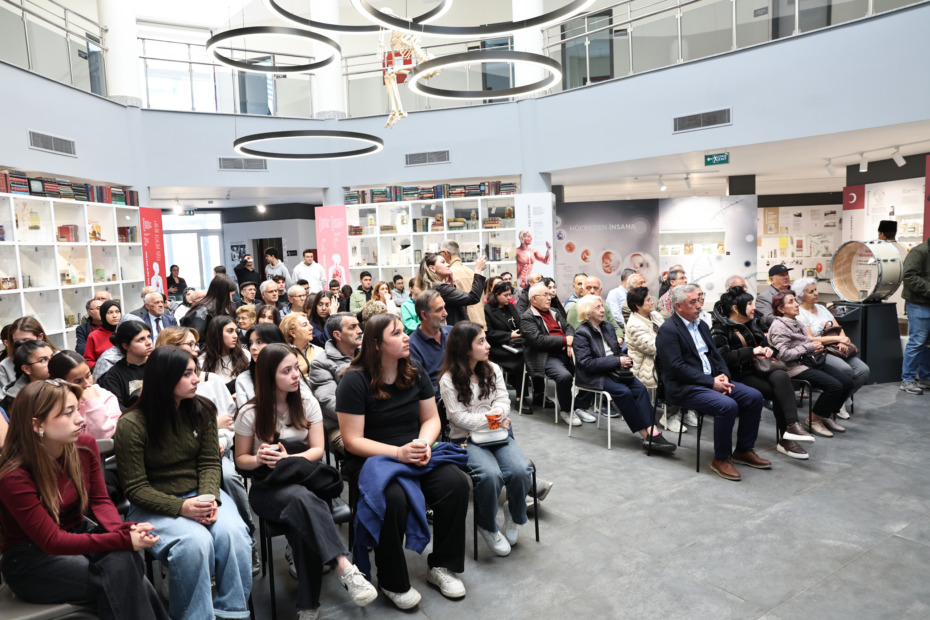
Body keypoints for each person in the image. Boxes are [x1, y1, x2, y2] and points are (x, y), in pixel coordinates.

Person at [0, 380, 168, 620]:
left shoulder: (84, 446)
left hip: (77, 533)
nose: (80, 419)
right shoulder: (14, 476)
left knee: (124, 564)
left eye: (77, 409)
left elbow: (100, 500)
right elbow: (52, 541)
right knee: (124, 576)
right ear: (36, 424)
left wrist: (120, 529)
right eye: (68, 413)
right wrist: (121, 539)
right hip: (30, 558)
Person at [336, 314, 470, 609]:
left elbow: (431, 419)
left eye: (403, 331)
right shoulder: (354, 381)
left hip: (414, 452)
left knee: (455, 484)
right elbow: (352, 440)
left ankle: (442, 566)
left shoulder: (414, 371)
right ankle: (392, 580)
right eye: (396, 333)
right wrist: (398, 453)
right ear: (376, 344)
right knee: (392, 499)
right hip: (374, 458)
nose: (406, 336)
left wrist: (423, 444)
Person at [234, 343, 377, 618]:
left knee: (301, 516)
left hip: (304, 480)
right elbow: (241, 460)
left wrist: (289, 460)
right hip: (267, 487)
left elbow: (318, 450)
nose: (295, 375)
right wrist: (259, 458)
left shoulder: (306, 402)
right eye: (286, 371)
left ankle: (309, 605)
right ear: (268, 376)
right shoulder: (249, 413)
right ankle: (344, 565)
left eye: (296, 368)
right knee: (304, 501)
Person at [114, 346, 253, 620]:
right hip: (153, 504)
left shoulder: (202, 409)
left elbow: (210, 462)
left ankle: (233, 613)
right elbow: (136, 488)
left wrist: (208, 499)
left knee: (235, 535)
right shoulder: (132, 424)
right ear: (164, 378)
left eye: (195, 372)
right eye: (187, 374)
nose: (196, 379)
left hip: (199, 495)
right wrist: (182, 508)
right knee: (195, 544)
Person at [438, 321, 534, 556]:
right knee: (490, 475)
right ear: (465, 348)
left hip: (498, 434)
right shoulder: (448, 379)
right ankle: (487, 525)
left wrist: (497, 415)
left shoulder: (493, 369)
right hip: (466, 439)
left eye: (486, 340)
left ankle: (514, 513)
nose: (488, 345)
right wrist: (493, 419)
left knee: (521, 470)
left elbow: (503, 401)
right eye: (481, 341)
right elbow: (458, 418)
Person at [655, 283, 767, 481]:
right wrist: (710, 382)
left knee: (754, 397)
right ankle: (721, 458)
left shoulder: (702, 326)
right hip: (685, 386)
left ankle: (743, 450)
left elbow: (717, 355)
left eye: (698, 300)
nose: (699, 305)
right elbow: (676, 368)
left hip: (711, 380)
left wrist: (723, 375)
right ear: (678, 306)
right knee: (727, 405)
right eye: (692, 302)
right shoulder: (668, 330)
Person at [710, 286, 816, 460]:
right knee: (779, 390)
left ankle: (791, 426)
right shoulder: (720, 329)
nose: (754, 307)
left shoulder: (752, 324)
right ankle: (787, 437)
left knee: (781, 376)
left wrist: (768, 350)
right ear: (736, 308)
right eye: (750, 304)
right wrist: (752, 351)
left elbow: (770, 347)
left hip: (759, 369)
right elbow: (723, 358)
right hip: (738, 374)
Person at [572, 295, 677, 453]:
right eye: (598, 307)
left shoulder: (607, 326)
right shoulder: (581, 333)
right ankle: (646, 436)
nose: (603, 310)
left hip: (615, 371)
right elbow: (586, 363)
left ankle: (654, 433)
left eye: (602, 306)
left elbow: (617, 351)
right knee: (623, 392)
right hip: (595, 375)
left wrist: (625, 359)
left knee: (640, 389)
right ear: (588, 313)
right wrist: (617, 361)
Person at [767, 291, 854, 438]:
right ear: (781, 309)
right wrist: (809, 347)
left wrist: (815, 347)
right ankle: (812, 420)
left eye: (795, 300)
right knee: (834, 386)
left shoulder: (797, 322)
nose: (796, 304)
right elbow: (783, 355)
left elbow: (805, 344)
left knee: (847, 383)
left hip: (809, 361)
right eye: (791, 302)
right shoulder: (779, 327)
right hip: (793, 367)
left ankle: (823, 415)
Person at [793, 277, 870, 417]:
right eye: (811, 292)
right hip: (820, 351)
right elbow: (810, 338)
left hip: (837, 348)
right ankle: (837, 404)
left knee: (863, 370)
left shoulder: (822, 308)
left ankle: (841, 399)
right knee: (845, 370)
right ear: (801, 296)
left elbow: (838, 328)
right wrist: (837, 339)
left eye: (816, 290)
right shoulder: (800, 314)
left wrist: (843, 341)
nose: (816, 293)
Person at [520, 281, 590, 426]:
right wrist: (565, 341)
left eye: (549, 294)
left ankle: (577, 406)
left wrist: (568, 341)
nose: (549, 297)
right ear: (534, 299)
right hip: (546, 356)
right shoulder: (527, 317)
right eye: (545, 294)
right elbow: (537, 340)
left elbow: (568, 327)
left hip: (566, 353)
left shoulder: (554, 311)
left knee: (590, 370)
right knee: (564, 377)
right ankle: (566, 410)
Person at [625, 286, 686, 432]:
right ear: (638, 305)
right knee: (678, 374)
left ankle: (684, 410)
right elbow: (653, 347)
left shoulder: (654, 315)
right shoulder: (634, 324)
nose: (652, 302)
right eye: (648, 300)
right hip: (646, 364)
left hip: (661, 358)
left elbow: (670, 334)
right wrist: (675, 343)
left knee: (691, 365)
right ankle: (669, 416)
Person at [310, 312, 362, 456]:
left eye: (358, 326)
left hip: (373, 419)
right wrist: (366, 415)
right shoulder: (321, 363)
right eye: (352, 327)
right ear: (337, 335)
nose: (359, 331)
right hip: (341, 427)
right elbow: (329, 402)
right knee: (373, 452)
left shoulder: (368, 355)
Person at [48, 350, 122, 440]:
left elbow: (104, 437)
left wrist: (93, 403)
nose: (87, 384)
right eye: (78, 381)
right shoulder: (55, 403)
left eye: (88, 375)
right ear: (61, 383)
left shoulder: (106, 397)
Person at [416, 253, 487, 326]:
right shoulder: (440, 288)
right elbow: (473, 298)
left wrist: (451, 286)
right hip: (454, 330)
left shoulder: (434, 287)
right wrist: (478, 270)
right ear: (432, 268)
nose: (448, 265)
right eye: (443, 262)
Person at [235, 324, 297, 404]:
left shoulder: (293, 373)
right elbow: (244, 410)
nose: (252, 347)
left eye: (259, 342)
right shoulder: (244, 379)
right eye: (250, 343)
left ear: (275, 343)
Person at [98, 321, 152, 411]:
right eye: (141, 339)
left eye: (149, 337)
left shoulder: (158, 365)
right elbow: (116, 408)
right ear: (126, 346)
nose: (149, 342)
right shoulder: (114, 375)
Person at [484, 281, 526, 394]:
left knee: (528, 353)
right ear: (496, 295)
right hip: (496, 346)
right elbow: (489, 333)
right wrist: (509, 335)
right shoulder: (487, 309)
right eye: (505, 295)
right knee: (520, 358)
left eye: (510, 294)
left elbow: (519, 323)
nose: (509, 298)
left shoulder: (510, 306)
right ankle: (520, 394)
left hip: (514, 343)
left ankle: (531, 393)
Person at [900, 235, 930, 394]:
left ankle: (925, 378)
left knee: (927, 343)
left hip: (926, 302)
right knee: (917, 341)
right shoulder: (919, 252)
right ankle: (907, 380)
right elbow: (909, 276)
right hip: (918, 304)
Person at [408, 290, 453, 394]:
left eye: (444, 307)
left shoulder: (452, 332)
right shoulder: (412, 346)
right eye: (439, 310)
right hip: (437, 398)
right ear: (424, 315)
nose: (445, 313)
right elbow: (421, 387)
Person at [181, 274, 238, 345]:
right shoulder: (202, 312)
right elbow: (195, 340)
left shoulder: (222, 309)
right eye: (231, 295)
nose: (231, 299)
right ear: (222, 293)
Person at [0, 340, 57, 411]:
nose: (52, 362)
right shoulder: (18, 402)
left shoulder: (62, 381)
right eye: (43, 360)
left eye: (53, 357)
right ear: (27, 369)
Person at [1, 316, 57, 386]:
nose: (23, 346)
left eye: (27, 340)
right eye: (18, 342)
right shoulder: (4, 366)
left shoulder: (60, 357)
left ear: (40, 337)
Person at [442, 240, 485, 327]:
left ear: (446, 253)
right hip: (480, 323)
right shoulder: (472, 273)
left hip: (465, 327)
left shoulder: (448, 276)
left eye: (440, 253)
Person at [200, 315, 250, 388]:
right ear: (217, 334)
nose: (235, 336)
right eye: (230, 331)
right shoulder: (202, 361)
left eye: (236, 331)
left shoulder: (245, 354)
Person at [567, 276, 624, 340]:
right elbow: (572, 334)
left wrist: (619, 338)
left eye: (596, 288)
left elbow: (616, 328)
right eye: (588, 288)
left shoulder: (604, 307)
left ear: (600, 290)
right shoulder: (575, 309)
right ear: (583, 290)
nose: (592, 291)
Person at [280, 312, 323, 376]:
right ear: (293, 333)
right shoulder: (283, 354)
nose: (311, 327)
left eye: (309, 324)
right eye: (305, 325)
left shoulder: (319, 351)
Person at [84, 300, 121, 369]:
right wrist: (101, 369)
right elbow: (89, 360)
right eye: (110, 312)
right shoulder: (94, 336)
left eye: (117, 311)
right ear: (103, 315)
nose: (115, 315)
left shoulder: (126, 331)